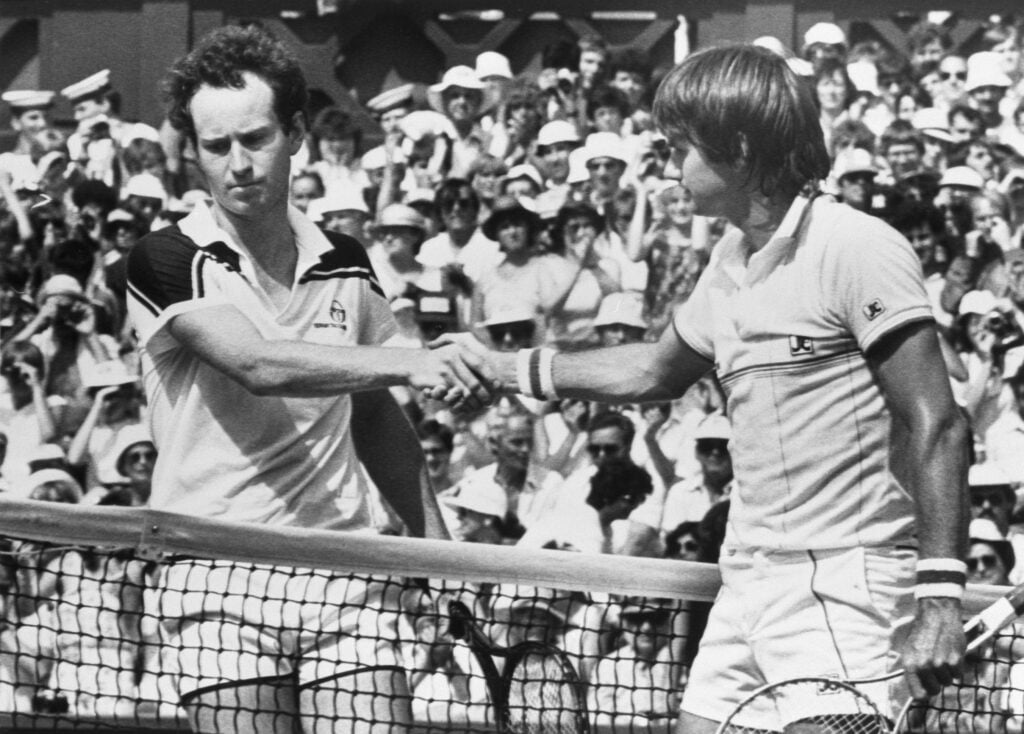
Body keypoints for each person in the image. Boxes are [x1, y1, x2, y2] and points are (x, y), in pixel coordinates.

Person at [439, 43, 969, 730]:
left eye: (679, 148)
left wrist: (940, 598)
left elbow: (939, 422)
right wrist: (502, 366)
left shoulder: (856, 246)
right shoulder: (728, 258)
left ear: (739, 150)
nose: (669, 167)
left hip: (847, 581)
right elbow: (651, 371)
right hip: (746, 576)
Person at [125, 25, 489, 734]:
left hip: (346, 568)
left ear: (295, 134)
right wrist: (418, 360)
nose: (238, 165)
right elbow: (258, 364)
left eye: (255, 139)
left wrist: (439, 553)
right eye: (216, 146)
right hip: (215, 578)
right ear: (193, 151)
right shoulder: (165, 257)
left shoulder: (346, 259)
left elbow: (374, 414)